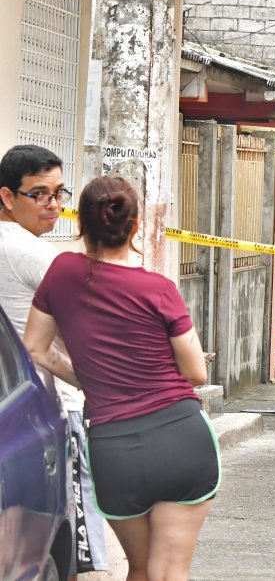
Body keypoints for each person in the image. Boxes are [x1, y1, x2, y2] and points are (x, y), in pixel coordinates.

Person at [24, 175, 218, 581]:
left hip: (115, 446)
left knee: (142, 569)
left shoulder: (61, 272)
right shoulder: (159, 289)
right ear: (134, 226)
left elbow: (37, 349)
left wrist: (91, 381)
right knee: (171, 572)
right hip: (182, 436)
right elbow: (195, 371)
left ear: (82, 225)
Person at [0, 145, 116, 578]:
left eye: (59, 193)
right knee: (76, 547)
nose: (53, 206)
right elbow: (93, 327)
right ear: (7, 197)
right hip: (55, 403)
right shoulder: (31, 253)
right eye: (39, 195)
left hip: (19, 400)